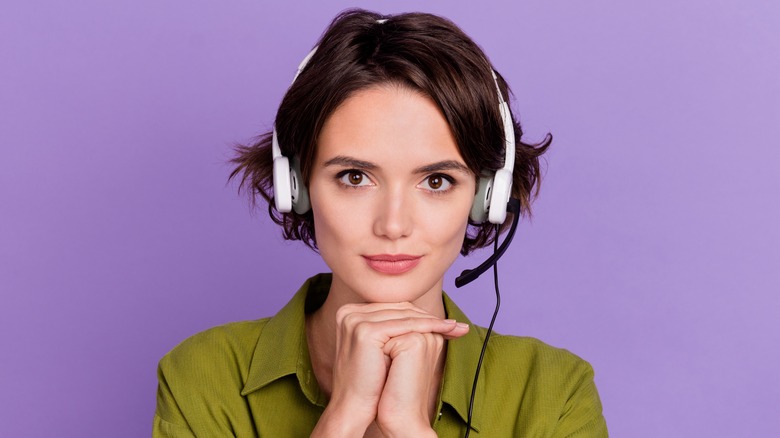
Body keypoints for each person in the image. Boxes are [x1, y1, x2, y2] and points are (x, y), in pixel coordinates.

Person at [153, 8, 607, 437]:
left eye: (436, 180)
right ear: (297, 184)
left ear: (487, 195)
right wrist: (343, 418)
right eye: (355, 177)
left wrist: (408, 426)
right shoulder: (205, 373)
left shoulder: (554, 390)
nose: (393, 225)